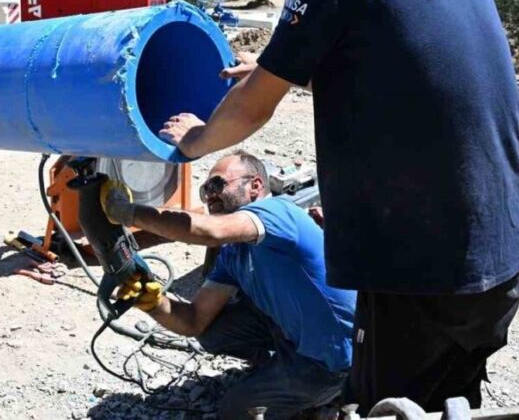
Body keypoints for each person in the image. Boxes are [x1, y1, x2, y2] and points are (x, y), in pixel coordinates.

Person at [159, 0, 519, 413]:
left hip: (416, 269)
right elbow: (409, 71)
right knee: (452, 404)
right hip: (495, 258)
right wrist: (280, 67)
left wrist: (194, 141)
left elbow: (252, 108)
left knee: (389, 407)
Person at [102, 151, 355, 420]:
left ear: (255, 186)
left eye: (217, 184)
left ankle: (337, 389)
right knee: (211, 332)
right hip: (292, 330)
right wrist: (153, 302)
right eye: (205, 190)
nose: (209, 195)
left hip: (335, 355)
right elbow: (194, 321)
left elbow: (210, 230)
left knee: (237, 411)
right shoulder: (233, 253)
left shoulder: (276, 212)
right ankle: (281, 370)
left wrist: (127, 212)